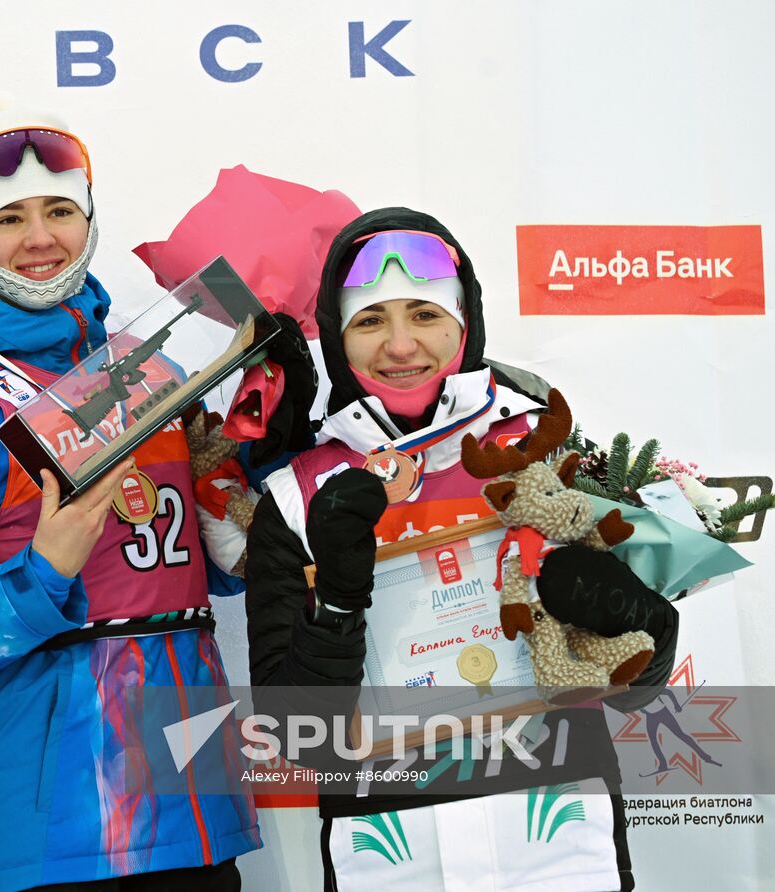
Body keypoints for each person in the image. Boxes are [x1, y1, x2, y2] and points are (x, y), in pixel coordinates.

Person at [0, 100, 260, 892]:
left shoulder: (148, 366)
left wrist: (233, 457)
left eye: (60, 211)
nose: (40, 238)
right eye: (8, 217)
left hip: (192, 802)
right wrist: (40, 573)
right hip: (45, 826)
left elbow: (208, 567)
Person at [244, 208, 678, 891]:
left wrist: (647, 622)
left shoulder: (544, 447)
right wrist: (336, 597)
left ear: (463, 319)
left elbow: (634, 687)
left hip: (558, 829)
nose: (399, 344)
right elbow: (296, 730)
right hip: (390, 849)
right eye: (369, 321)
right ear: (336, 336)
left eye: (423, 314)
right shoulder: (297, 498)